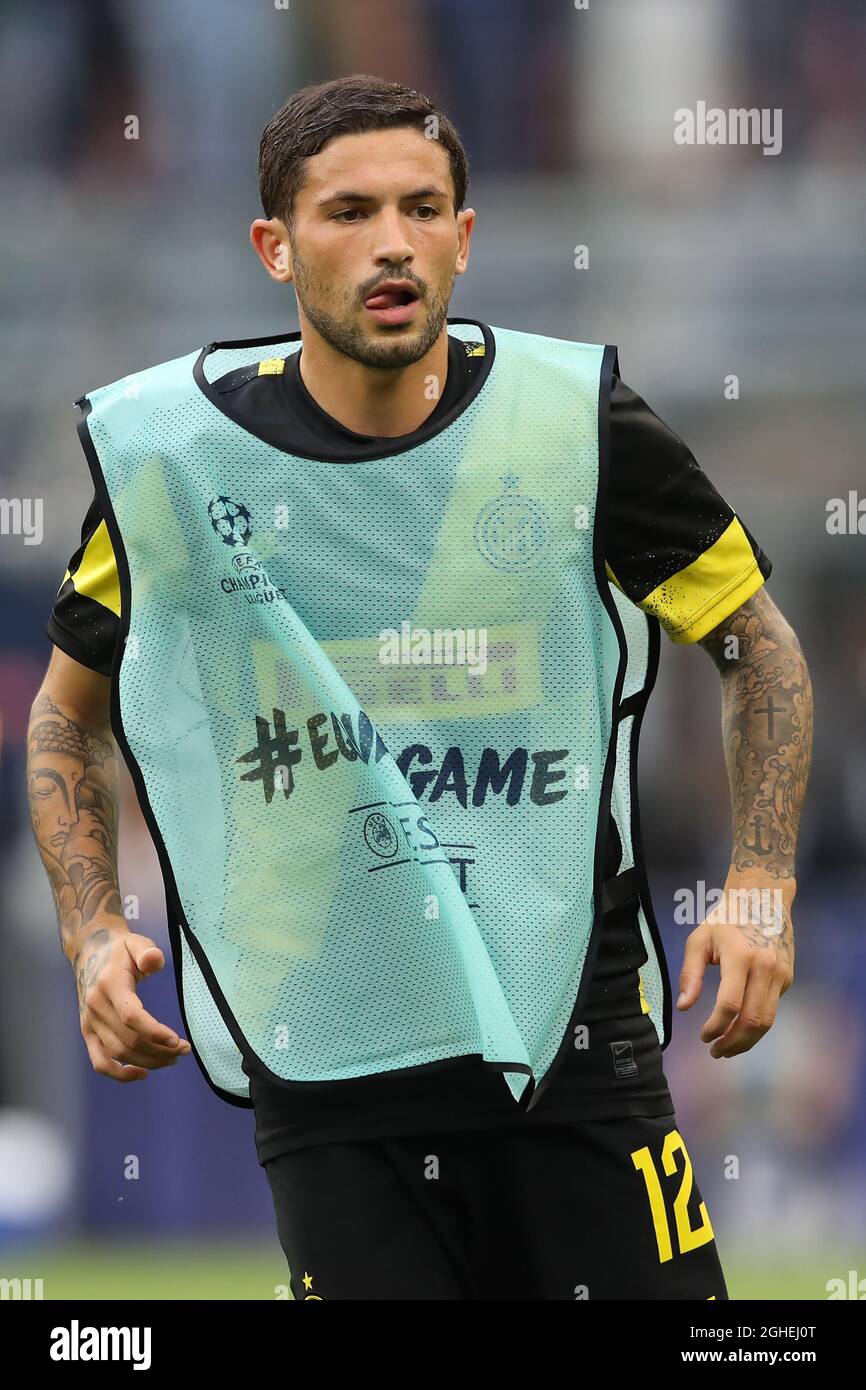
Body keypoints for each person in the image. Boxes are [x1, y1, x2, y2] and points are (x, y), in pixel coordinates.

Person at [27, 74, 812, 1301]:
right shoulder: (173, 462)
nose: (391, 242)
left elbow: (755, 643)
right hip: (329, 1053)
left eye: (421, 207)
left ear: (463, 234)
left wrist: (758, 882)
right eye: (347, 212)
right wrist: (89, 933)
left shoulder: (574, 424)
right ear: (273, 248)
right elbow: (66, 715)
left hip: (572, 1043)